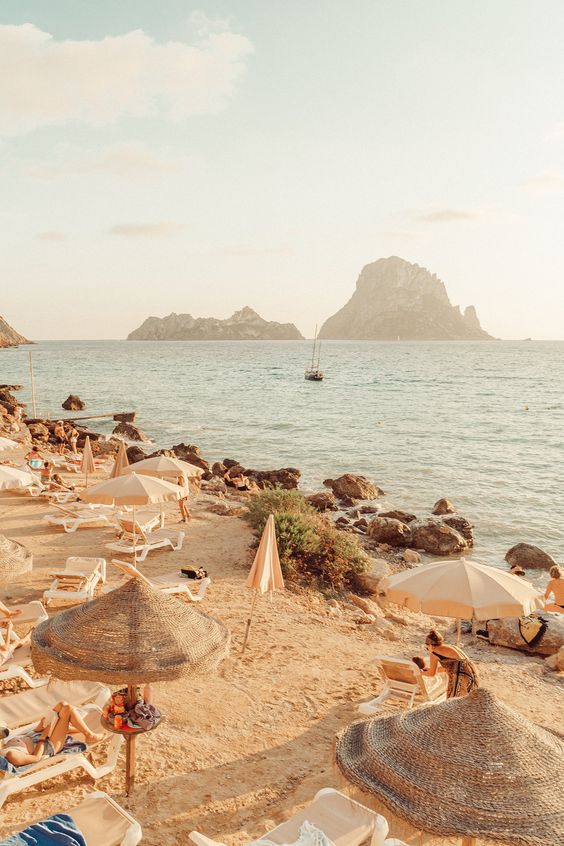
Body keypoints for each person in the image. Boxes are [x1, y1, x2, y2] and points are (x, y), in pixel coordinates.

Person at [0, 701, 103, 767]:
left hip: (37, 734)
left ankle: (73, 727)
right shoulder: (11, 755)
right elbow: (36, 758)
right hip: (48, 745)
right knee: (68, 709)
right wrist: (43, 737)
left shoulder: (3, 743)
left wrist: (40, 727)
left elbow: (25, 737)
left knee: (62, 704)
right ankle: (90, 736)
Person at [422, 629, 480, 698]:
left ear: (431, 645)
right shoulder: (451, 647)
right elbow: (449, 667)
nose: (428, 650)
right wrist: (431, 669)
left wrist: (420, 673)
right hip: (471, 671)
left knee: (454, 701)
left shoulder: (434, 653)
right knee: (468, 700)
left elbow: (431, 674)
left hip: (461, 675)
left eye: (427, 648)